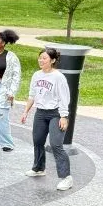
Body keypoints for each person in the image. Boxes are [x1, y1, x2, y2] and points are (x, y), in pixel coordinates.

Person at [21, 48, 74, 191]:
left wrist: (64, 116)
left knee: (56, 144)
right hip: (40, 112)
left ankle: (66, 178)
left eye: (44, 58)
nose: (41, 60)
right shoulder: (36, 75)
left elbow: (64, 98)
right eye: (40, 58)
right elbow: (32, 95)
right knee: (37, 140)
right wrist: (26, 111)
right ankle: (39, 168)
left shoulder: (58, 77)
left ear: (52, 60)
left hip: (56, 113)